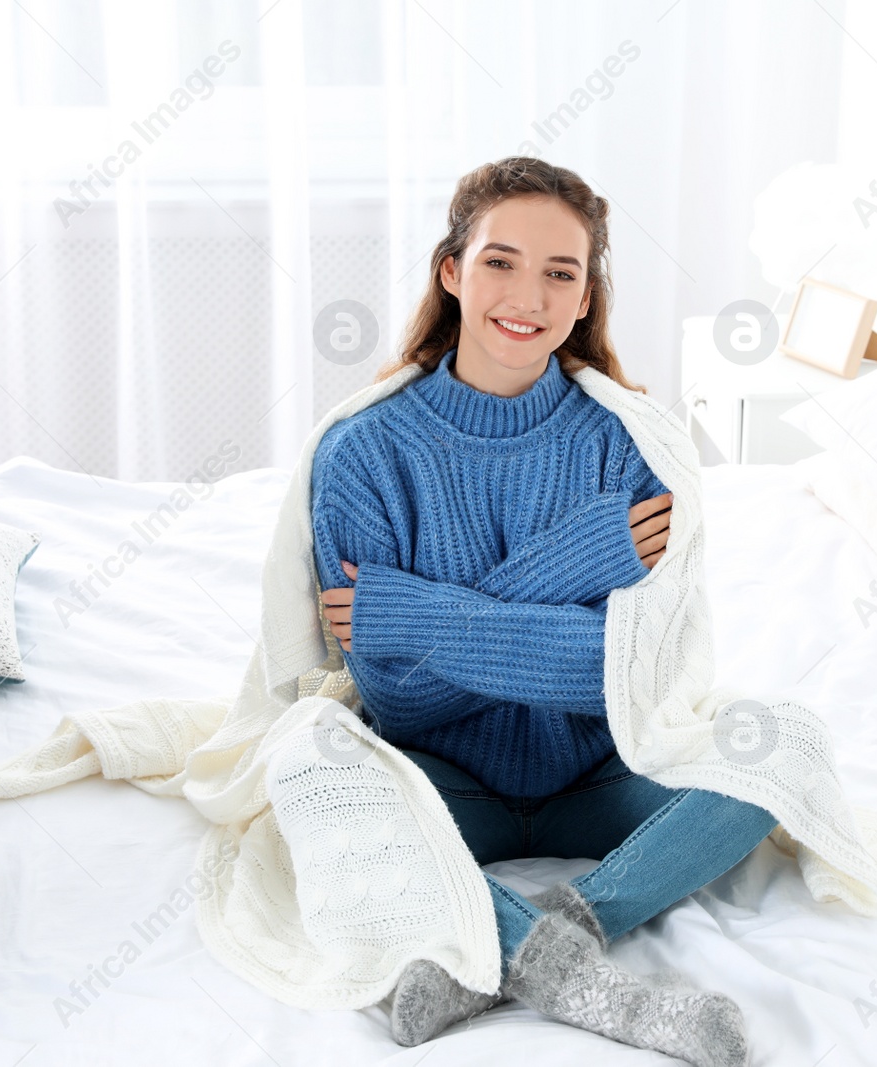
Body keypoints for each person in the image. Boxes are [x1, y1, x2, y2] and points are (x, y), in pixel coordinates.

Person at [310, 156, 773, 1067]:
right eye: (500, 262)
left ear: (586, 294)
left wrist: (418, 615)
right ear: (452, 271)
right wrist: (576, 566)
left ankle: (555, 931)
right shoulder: (361, 454)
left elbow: (623, 670)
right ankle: (586, 985)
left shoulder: (635, 446)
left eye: (561, 272)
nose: (527, 295)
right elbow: (399, 701)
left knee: (778, 749)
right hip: (442, 781)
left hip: (604, 772)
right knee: (315, 770)